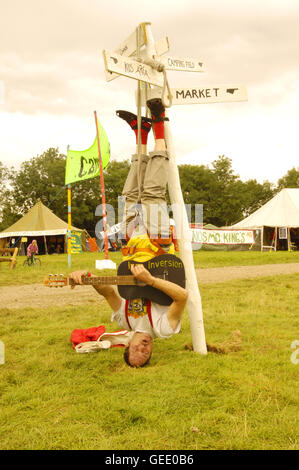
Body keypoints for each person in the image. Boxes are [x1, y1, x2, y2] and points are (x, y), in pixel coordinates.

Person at [69, 99, 188, 367]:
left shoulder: (125, 320)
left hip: (132, 245)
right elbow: (181, 296)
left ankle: (140, 134)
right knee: (153, 193)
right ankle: (158, 123)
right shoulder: (164, 330)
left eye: (136, 352)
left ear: (128, 343)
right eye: (146, 355)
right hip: (157, 245)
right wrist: (151, 280)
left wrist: (87, 278)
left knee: (130, 195)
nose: (143, 350)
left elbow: (110, 293)